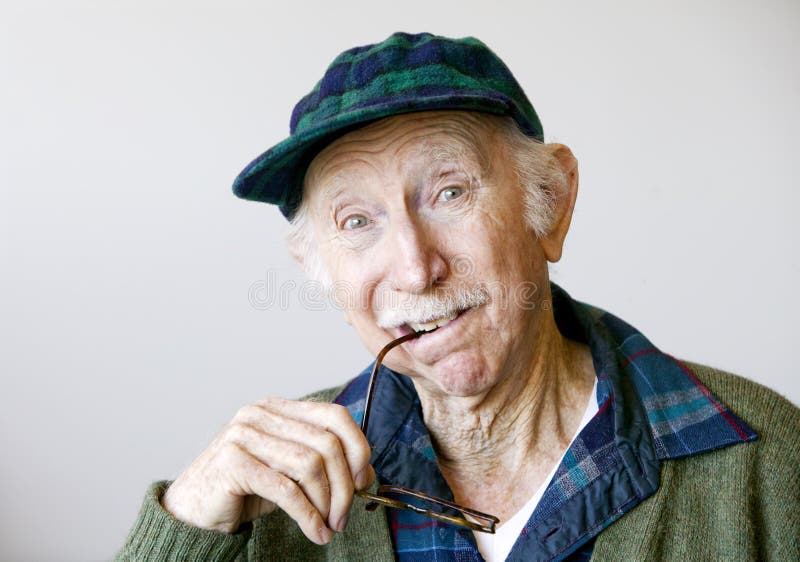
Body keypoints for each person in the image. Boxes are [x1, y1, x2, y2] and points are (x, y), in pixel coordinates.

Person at [116, 32, 799, 561]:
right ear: (319, 266)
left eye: (450, 192)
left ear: (551, 204)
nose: (415, 269)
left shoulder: (767, 464)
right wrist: (187, 527)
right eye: (358, 222)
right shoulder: (266, 501)